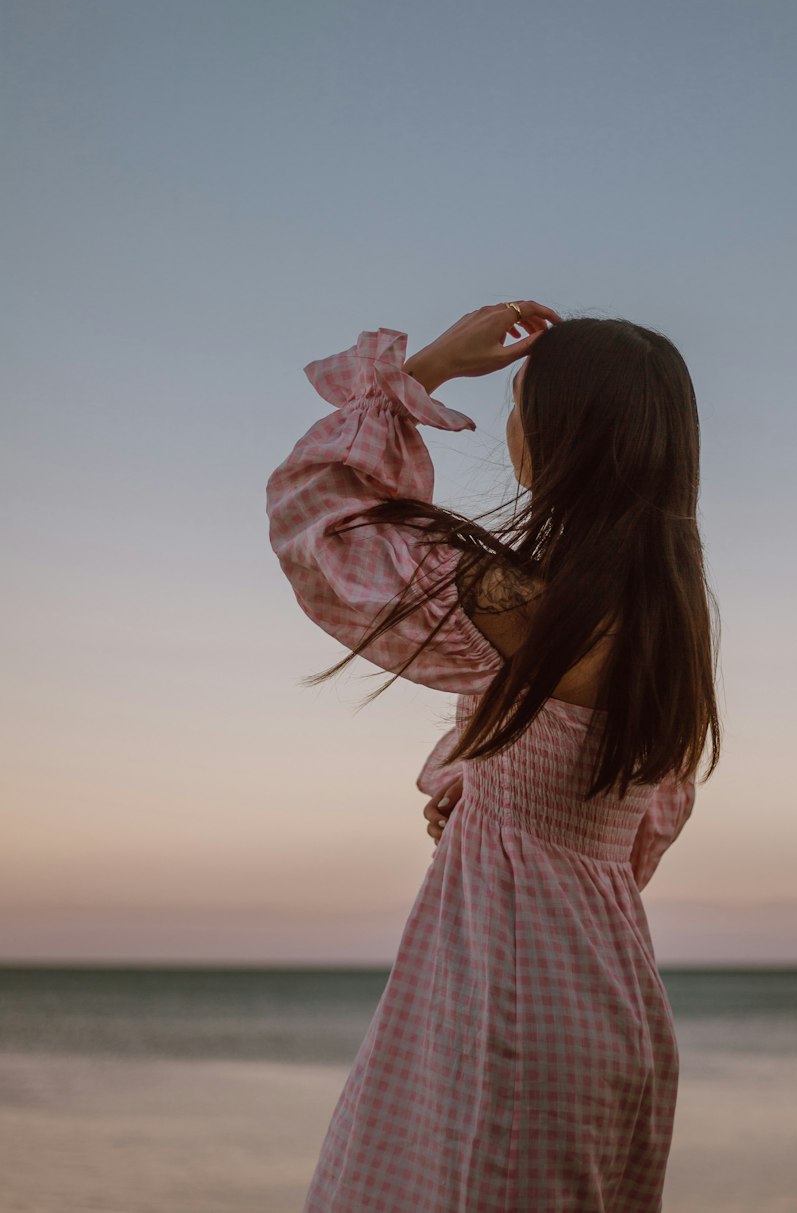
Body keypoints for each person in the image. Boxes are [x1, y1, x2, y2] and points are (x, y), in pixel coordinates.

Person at [265, 300, 722, 1213]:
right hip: (613, 1002)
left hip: (503, 1002)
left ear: (558, 439)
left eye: (520, 403)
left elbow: (317, 521)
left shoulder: (523, 604)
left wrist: (422, 369)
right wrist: (501, 794)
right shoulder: (673, 631)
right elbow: (646, 825)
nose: (511, 426)